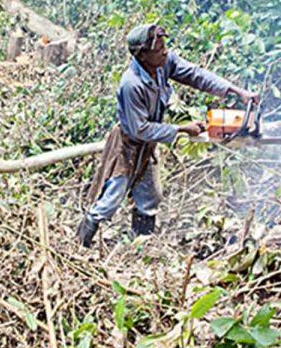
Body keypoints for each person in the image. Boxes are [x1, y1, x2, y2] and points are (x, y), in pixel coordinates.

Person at [76, 24, 260, 247]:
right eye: (158, 49)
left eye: (164, 47)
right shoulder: (131, 85)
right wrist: (181, 129)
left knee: (151, 196)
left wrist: (235, 90)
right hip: (127, 146)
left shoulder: (163, 63)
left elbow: (195, 74)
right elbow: (139, 129)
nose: (164, 52)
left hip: (148, 145)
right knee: (110, 200)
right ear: (142, 55)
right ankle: (81, 243)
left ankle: (140, 244)